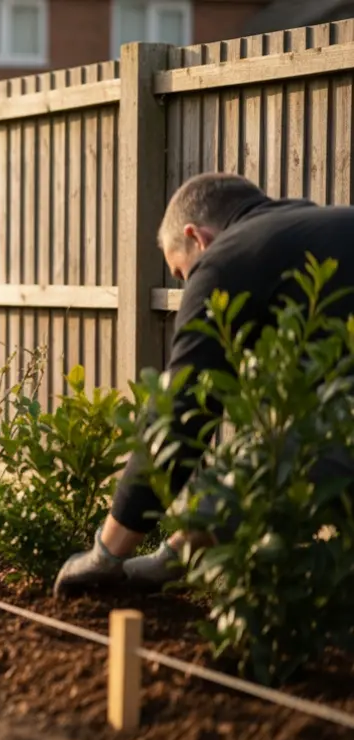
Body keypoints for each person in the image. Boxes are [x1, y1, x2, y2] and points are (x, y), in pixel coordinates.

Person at [53, 171, 354, 597]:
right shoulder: (315, 232)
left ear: (197, 237)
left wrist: (108, 552)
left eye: (182, 273)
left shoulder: (229, 256)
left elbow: (181, 414)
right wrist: (174, 552)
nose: (188, 284)